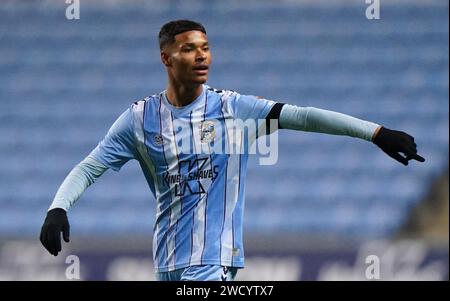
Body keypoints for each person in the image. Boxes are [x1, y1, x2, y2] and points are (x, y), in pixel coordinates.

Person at [39, 19, 425, 281]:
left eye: (205, 48)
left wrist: (375, 133)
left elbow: (304, 117)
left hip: (214, 260)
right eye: (190, 49)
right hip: (166, 262)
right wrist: (58, 208)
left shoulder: (232, 109)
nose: (202, 56)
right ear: (166, 58)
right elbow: (89, 167)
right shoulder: (140, 119)